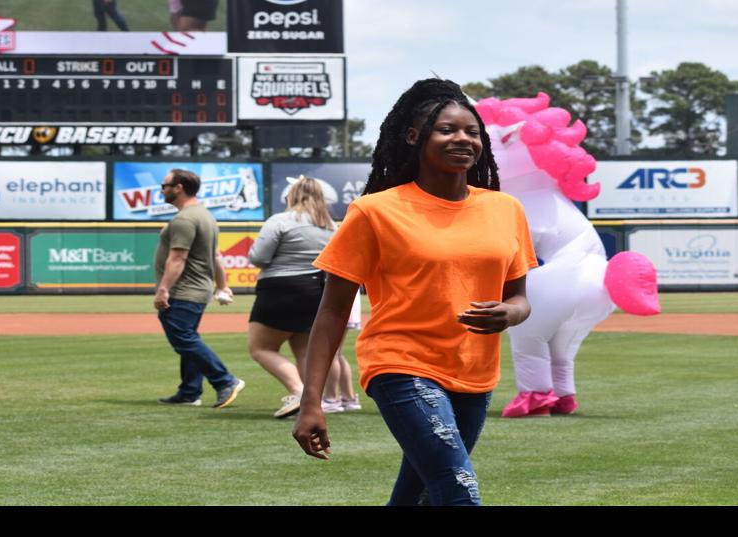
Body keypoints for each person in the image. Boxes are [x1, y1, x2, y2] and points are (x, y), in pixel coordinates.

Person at [293, 79, 537, 506]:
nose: (462, 139)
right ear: (413, 137)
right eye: (446, 129)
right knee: (458, 492)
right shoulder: (375, 211)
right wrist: (311, 400)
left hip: (474, 374)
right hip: (400, 365)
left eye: (472, 131)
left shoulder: (505, 209)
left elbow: (519, 297)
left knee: (418, 496)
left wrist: (510, 314)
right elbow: (332, 311)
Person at [247, 176, 360, 419]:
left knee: (261, 347)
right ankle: (311, 402)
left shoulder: (280, 220)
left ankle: (299, 392)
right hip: (317, 290)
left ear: (291, 196)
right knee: (304, 351)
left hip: (280, 288)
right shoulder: (332, 226)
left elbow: (258, 256)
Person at [153, 168, 246, 409]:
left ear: (179, 187)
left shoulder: (184, 219)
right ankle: (190, 391)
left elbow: (177, 259)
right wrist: (222, 285)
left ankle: (225, 381)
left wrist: (163, 290)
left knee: (183, 339)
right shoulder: (205, 215)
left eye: (164, 185)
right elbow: (216, 255)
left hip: (184, 290)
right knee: (189, 338)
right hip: (199, 288)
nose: (161, 190)